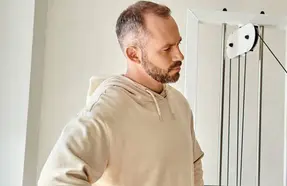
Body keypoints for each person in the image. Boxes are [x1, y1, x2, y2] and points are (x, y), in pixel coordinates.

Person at [37, 1, 204, 185]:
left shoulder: (180, 104)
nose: (179, 55)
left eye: (178, 44)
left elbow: (193, 165)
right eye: (167, 49)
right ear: (133, 54)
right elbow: (55, 179)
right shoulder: (106, 110)